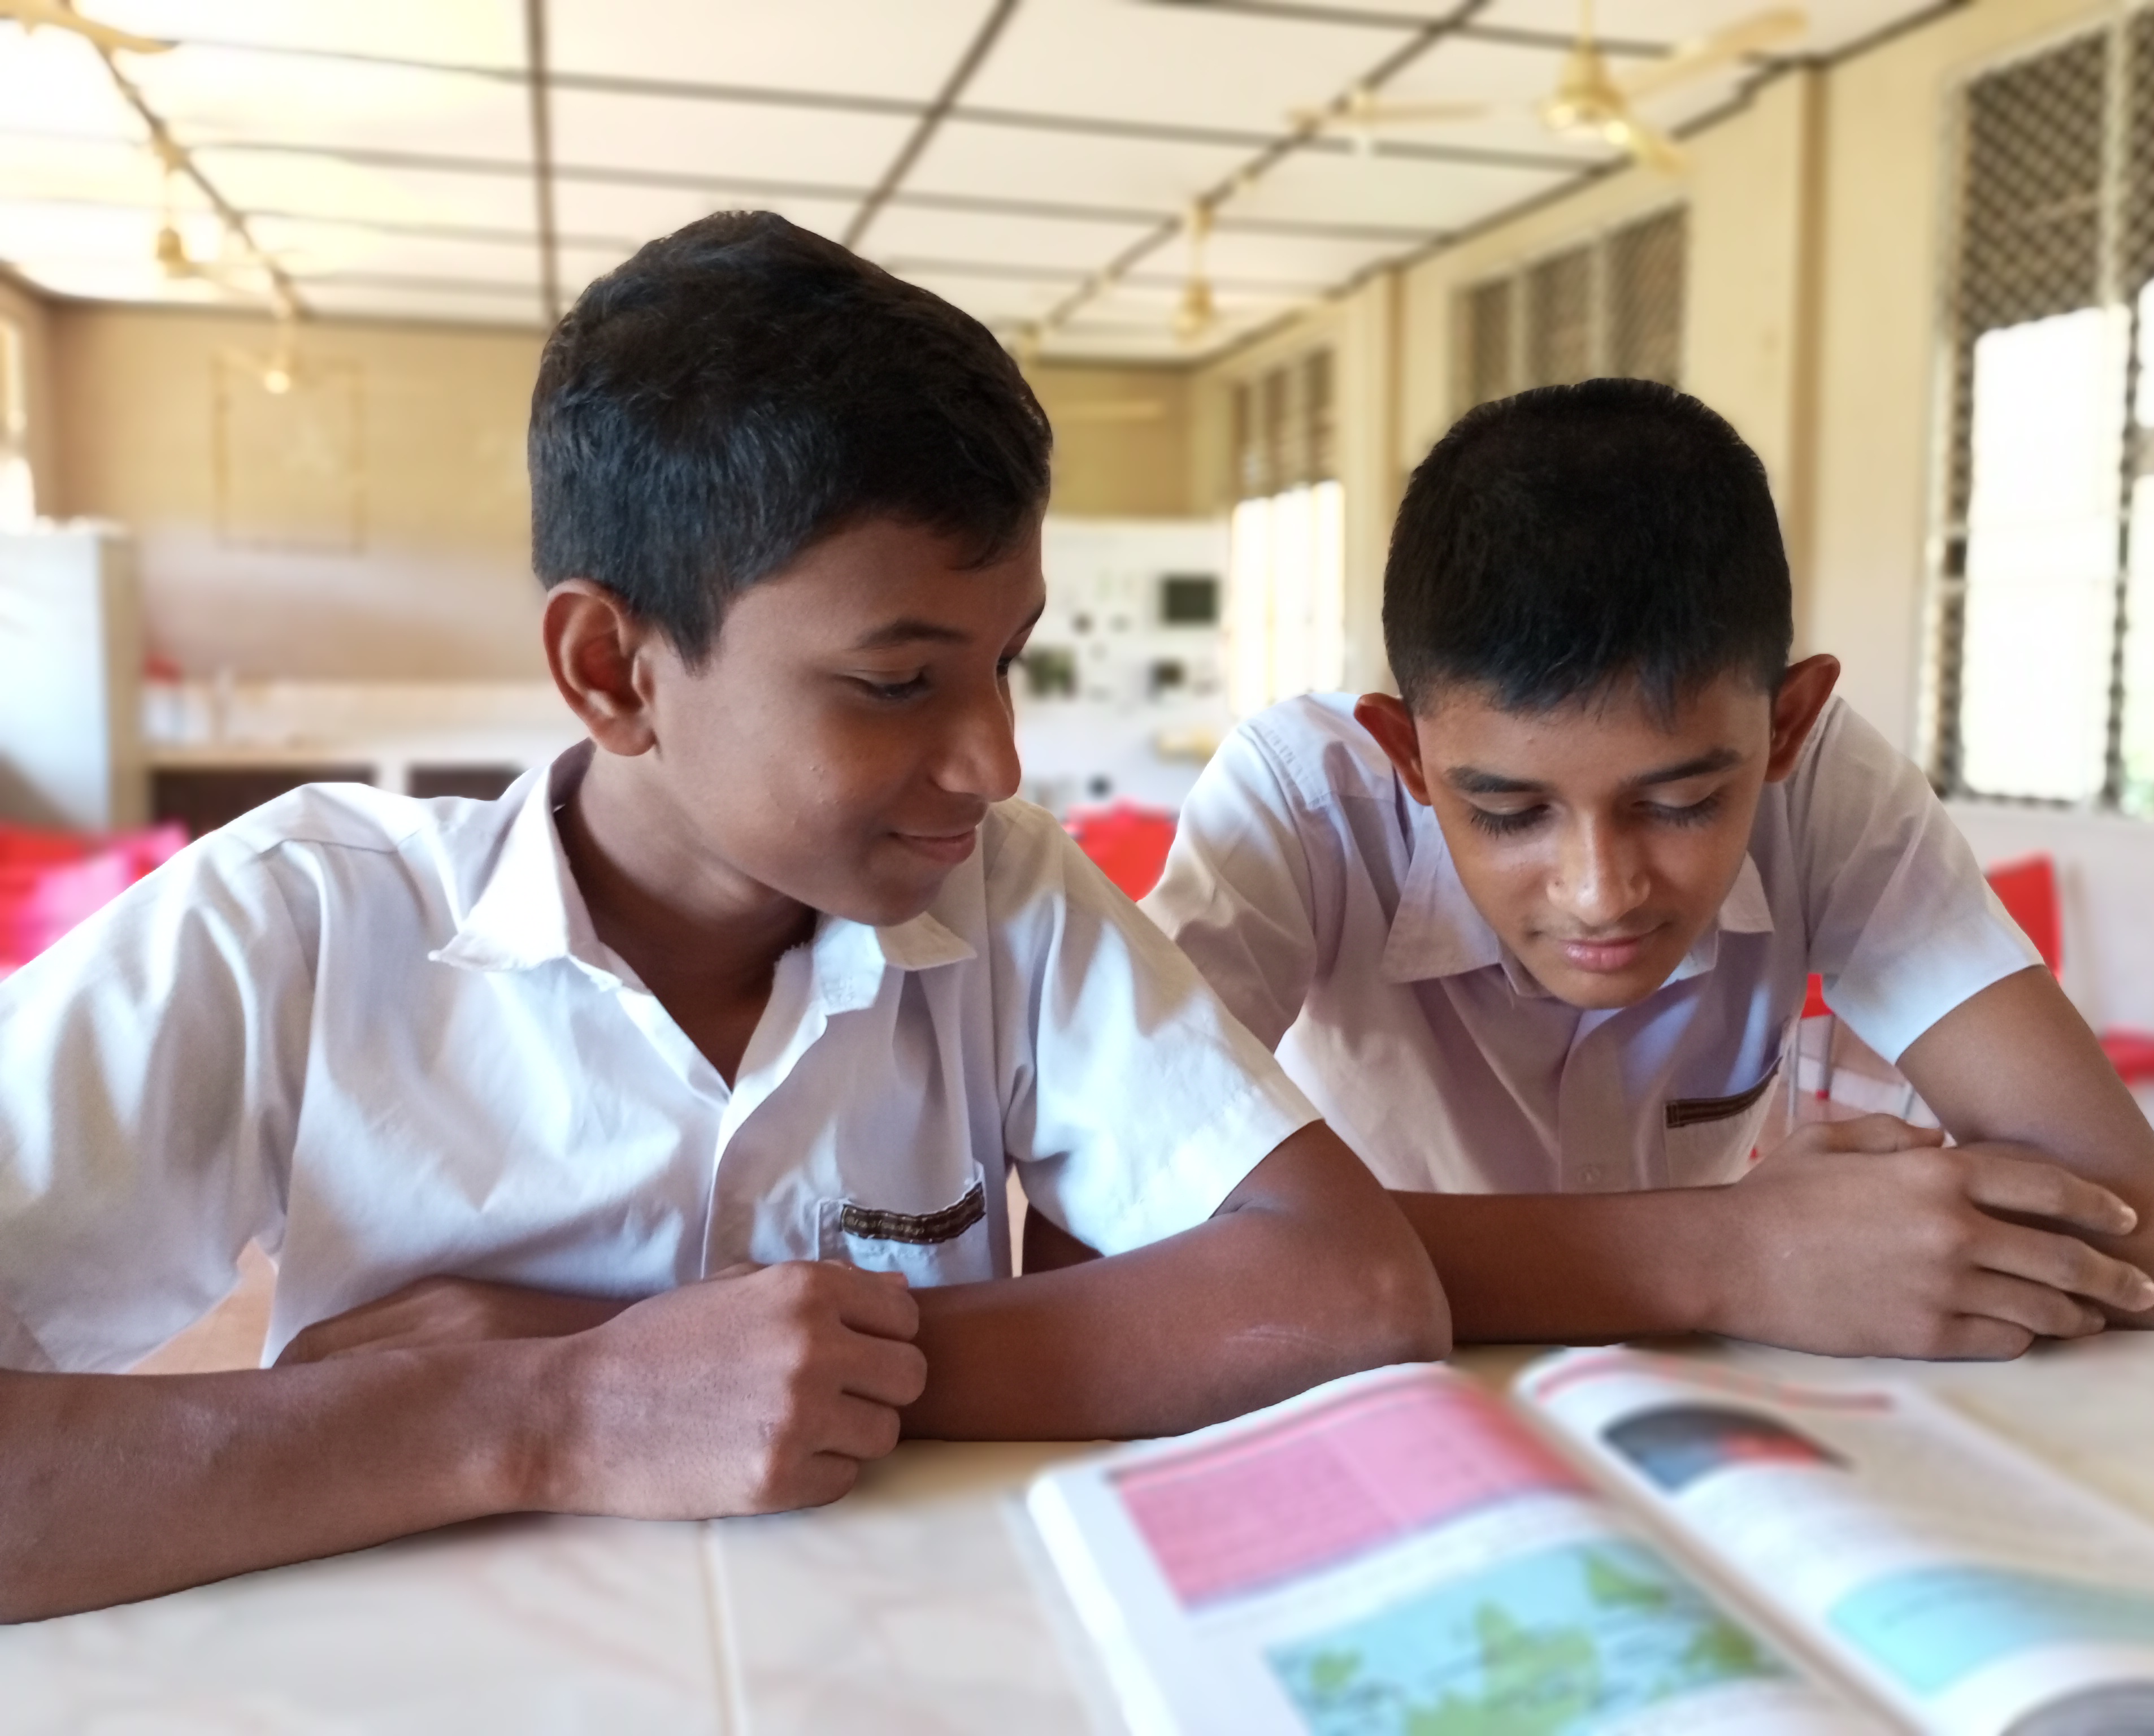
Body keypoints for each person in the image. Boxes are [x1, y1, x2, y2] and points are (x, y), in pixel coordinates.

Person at [0, 214, 1447, 1623]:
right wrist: (544, 1410)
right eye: (897, 683)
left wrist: (674, 1356)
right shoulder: (295, 924)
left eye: (1007, 663)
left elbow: (1349, 1289)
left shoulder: (1002, 896)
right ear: (612, 671)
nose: (995, 764)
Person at [1137, 379, 2154, 1359]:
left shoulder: (1823, 788)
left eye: (1681, 804)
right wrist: (1731, 1253)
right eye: (1507, 813)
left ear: (1787, 727)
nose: (1599, 892)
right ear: (1406, 757)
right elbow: (1119, 1223)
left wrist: (1347, 1258)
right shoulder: (1303, 802)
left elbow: (2140, 1241)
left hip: (1690, 1404)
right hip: (1386, 1406)